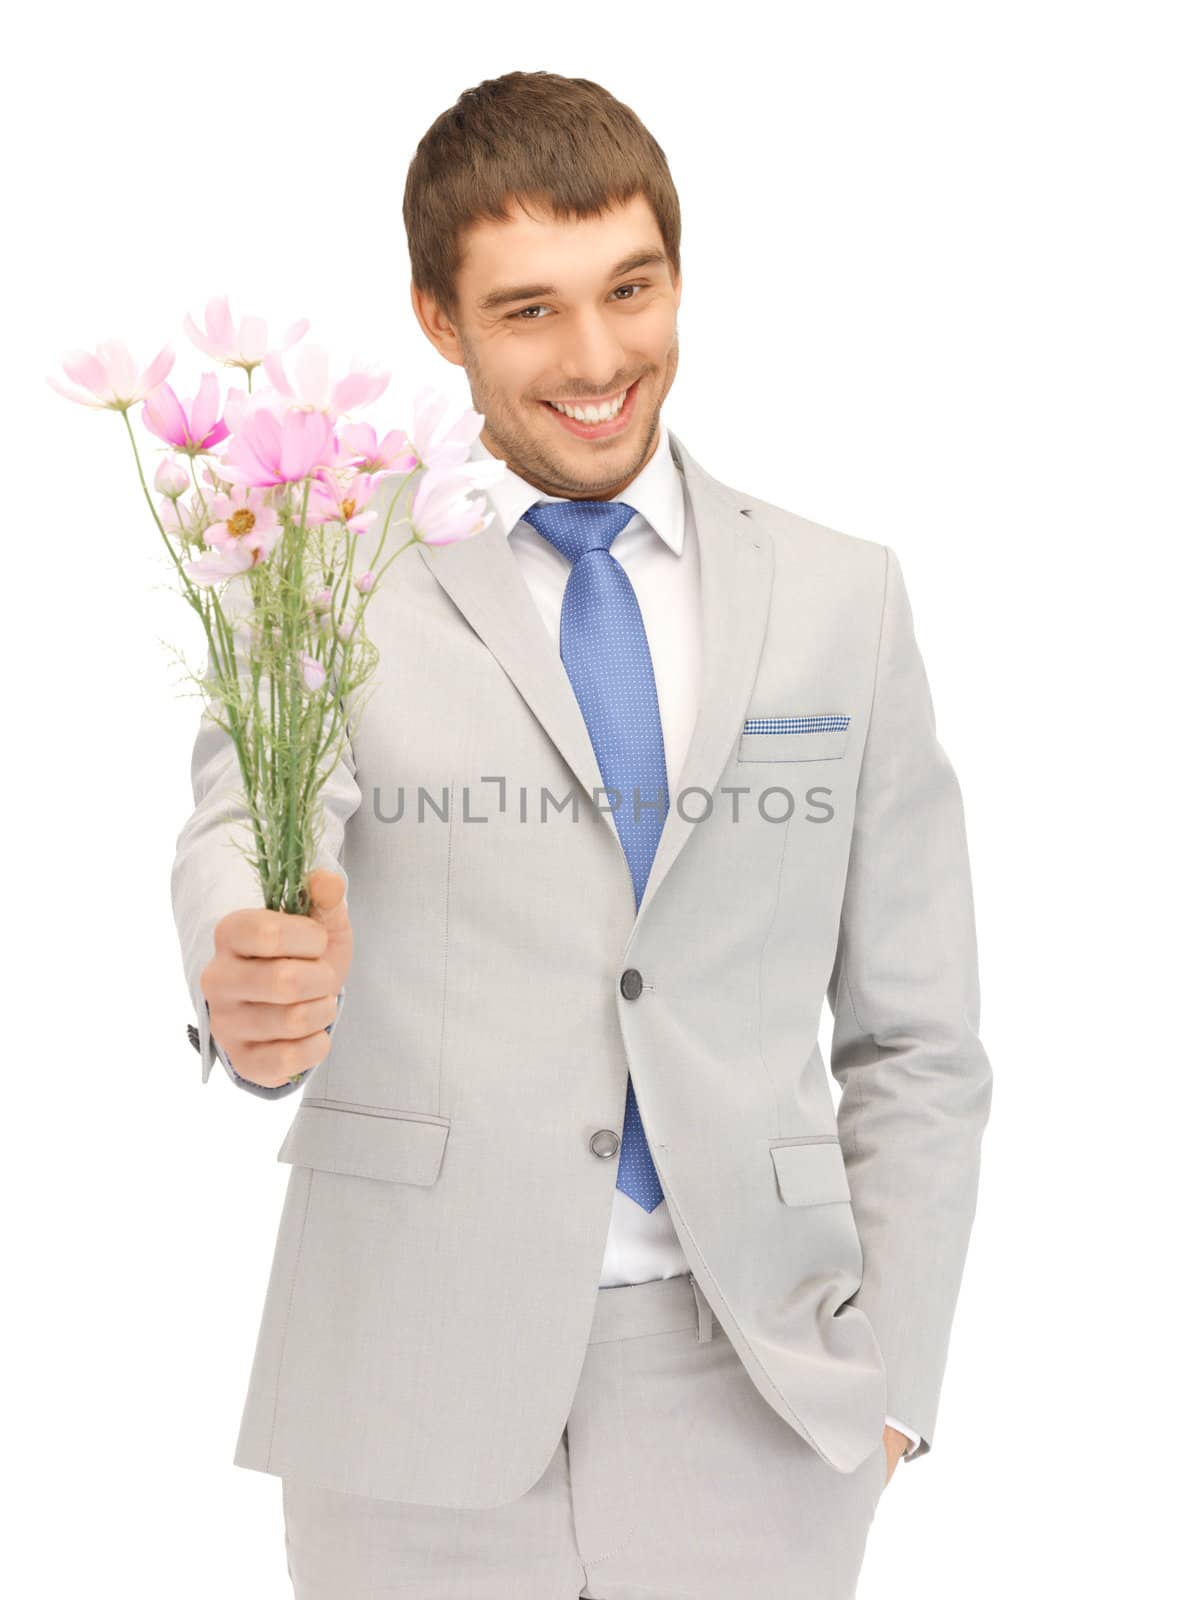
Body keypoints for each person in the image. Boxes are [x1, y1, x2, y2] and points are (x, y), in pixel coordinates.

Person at [173, 68, 993, 1600]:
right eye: (531, 310)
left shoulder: (841, 596)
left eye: (632, 288)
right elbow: (247, 820)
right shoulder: (326, 576)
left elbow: (921, 1037)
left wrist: (886, 1387)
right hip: (402, 1391)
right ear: (439, 318)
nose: (602, 357)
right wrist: (246, 967)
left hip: (757, 1391)